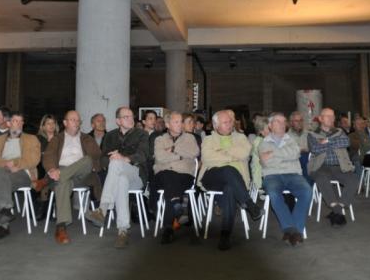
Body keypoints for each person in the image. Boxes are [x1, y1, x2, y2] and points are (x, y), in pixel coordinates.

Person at [198, 110, 263, 251]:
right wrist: (231, 157)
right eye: (225, 122)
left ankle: (225, 235)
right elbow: (207, 158)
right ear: (216, 126)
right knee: (228, 169)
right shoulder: (208, 139)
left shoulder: (241, 137)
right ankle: (249, 203)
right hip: (212, 177)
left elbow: (244, 153)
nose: (229, 124)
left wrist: (220, 153)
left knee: (229, 188)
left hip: (237, 181)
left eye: (230, 122)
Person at [84, 107, 148, 249]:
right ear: (118, 121)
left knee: (116, 162)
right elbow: (102, 159)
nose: (130, 119)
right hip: (119, 176)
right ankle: (122, 231)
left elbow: (143, 155)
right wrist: (112, 159)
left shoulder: (142, 134)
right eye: (126, 117)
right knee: (121, 180)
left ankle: (103, 208)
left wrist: (123, 158)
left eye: (131, 116)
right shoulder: (110, 136)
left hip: (136, 174)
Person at [41, 110, 101, 244]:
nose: (76, 122)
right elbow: (48, 156)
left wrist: (94, 163)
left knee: (87, 160)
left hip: (82, 175)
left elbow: (96, 156)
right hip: (61, 172)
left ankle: (46, 180)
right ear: (65, 123)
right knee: (63, 183)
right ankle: (61, 227)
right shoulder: (57, 139)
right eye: (72, 120)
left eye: (78, 120)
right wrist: (52, 169)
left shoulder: (87, 138)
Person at [259, 112, 312, 246]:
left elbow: (296, 153)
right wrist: (287, 155)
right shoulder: (263, 142)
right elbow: (266, 162)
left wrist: (273, 154)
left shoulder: (291, 139)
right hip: (272, 175)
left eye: (284, 122)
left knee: (307, 191)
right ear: (270, 126)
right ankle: (293, 230)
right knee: (274, 193)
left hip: (293, 174)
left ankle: (292, 230)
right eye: (278, 122)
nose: (282, 124)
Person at [0, 112, 40, 239]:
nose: (19, 124)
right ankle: (4, 213)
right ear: (9, 123)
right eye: (16, 121)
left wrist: (16, 164)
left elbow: (34, 159)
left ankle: (0, 225)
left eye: (21, 121)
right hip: (3, 171)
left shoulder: (31, 139)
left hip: (23, 173)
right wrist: (6, 164)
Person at [153, 111, 200, 244]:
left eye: (181, 121)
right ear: (168, 124)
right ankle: (175, 211)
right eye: (176, 122)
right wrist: (180, 156)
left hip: (184, 175)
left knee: (170, 183)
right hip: (163, 175)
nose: (180, 124)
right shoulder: (160, 139)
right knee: (169, 176)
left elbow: (194, 152)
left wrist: (172, 150)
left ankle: (169, 224)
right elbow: (160, 157)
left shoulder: (189, 138)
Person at [308, 108, 358, 227]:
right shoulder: (312, 134)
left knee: (353, 180)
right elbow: (315, 149)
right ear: (320, 119)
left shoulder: (339, 131)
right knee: (322, 178)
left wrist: (326, 141)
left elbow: (346, 142)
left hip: (340, 166)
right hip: (321, 166)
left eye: (333, 116)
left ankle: (337, 209)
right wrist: (333, 142)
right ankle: (338, 212)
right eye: (328, 116)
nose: (331, 119)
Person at [287, 111, 313, 187]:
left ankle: (307, 187)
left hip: (308, 159)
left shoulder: (309, 134)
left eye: (301, 120)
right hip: (293, 160)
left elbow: (313, 148)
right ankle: (308, 187)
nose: (299, 123)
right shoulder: (286, 136)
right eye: (296, 121)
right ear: (291, 123)